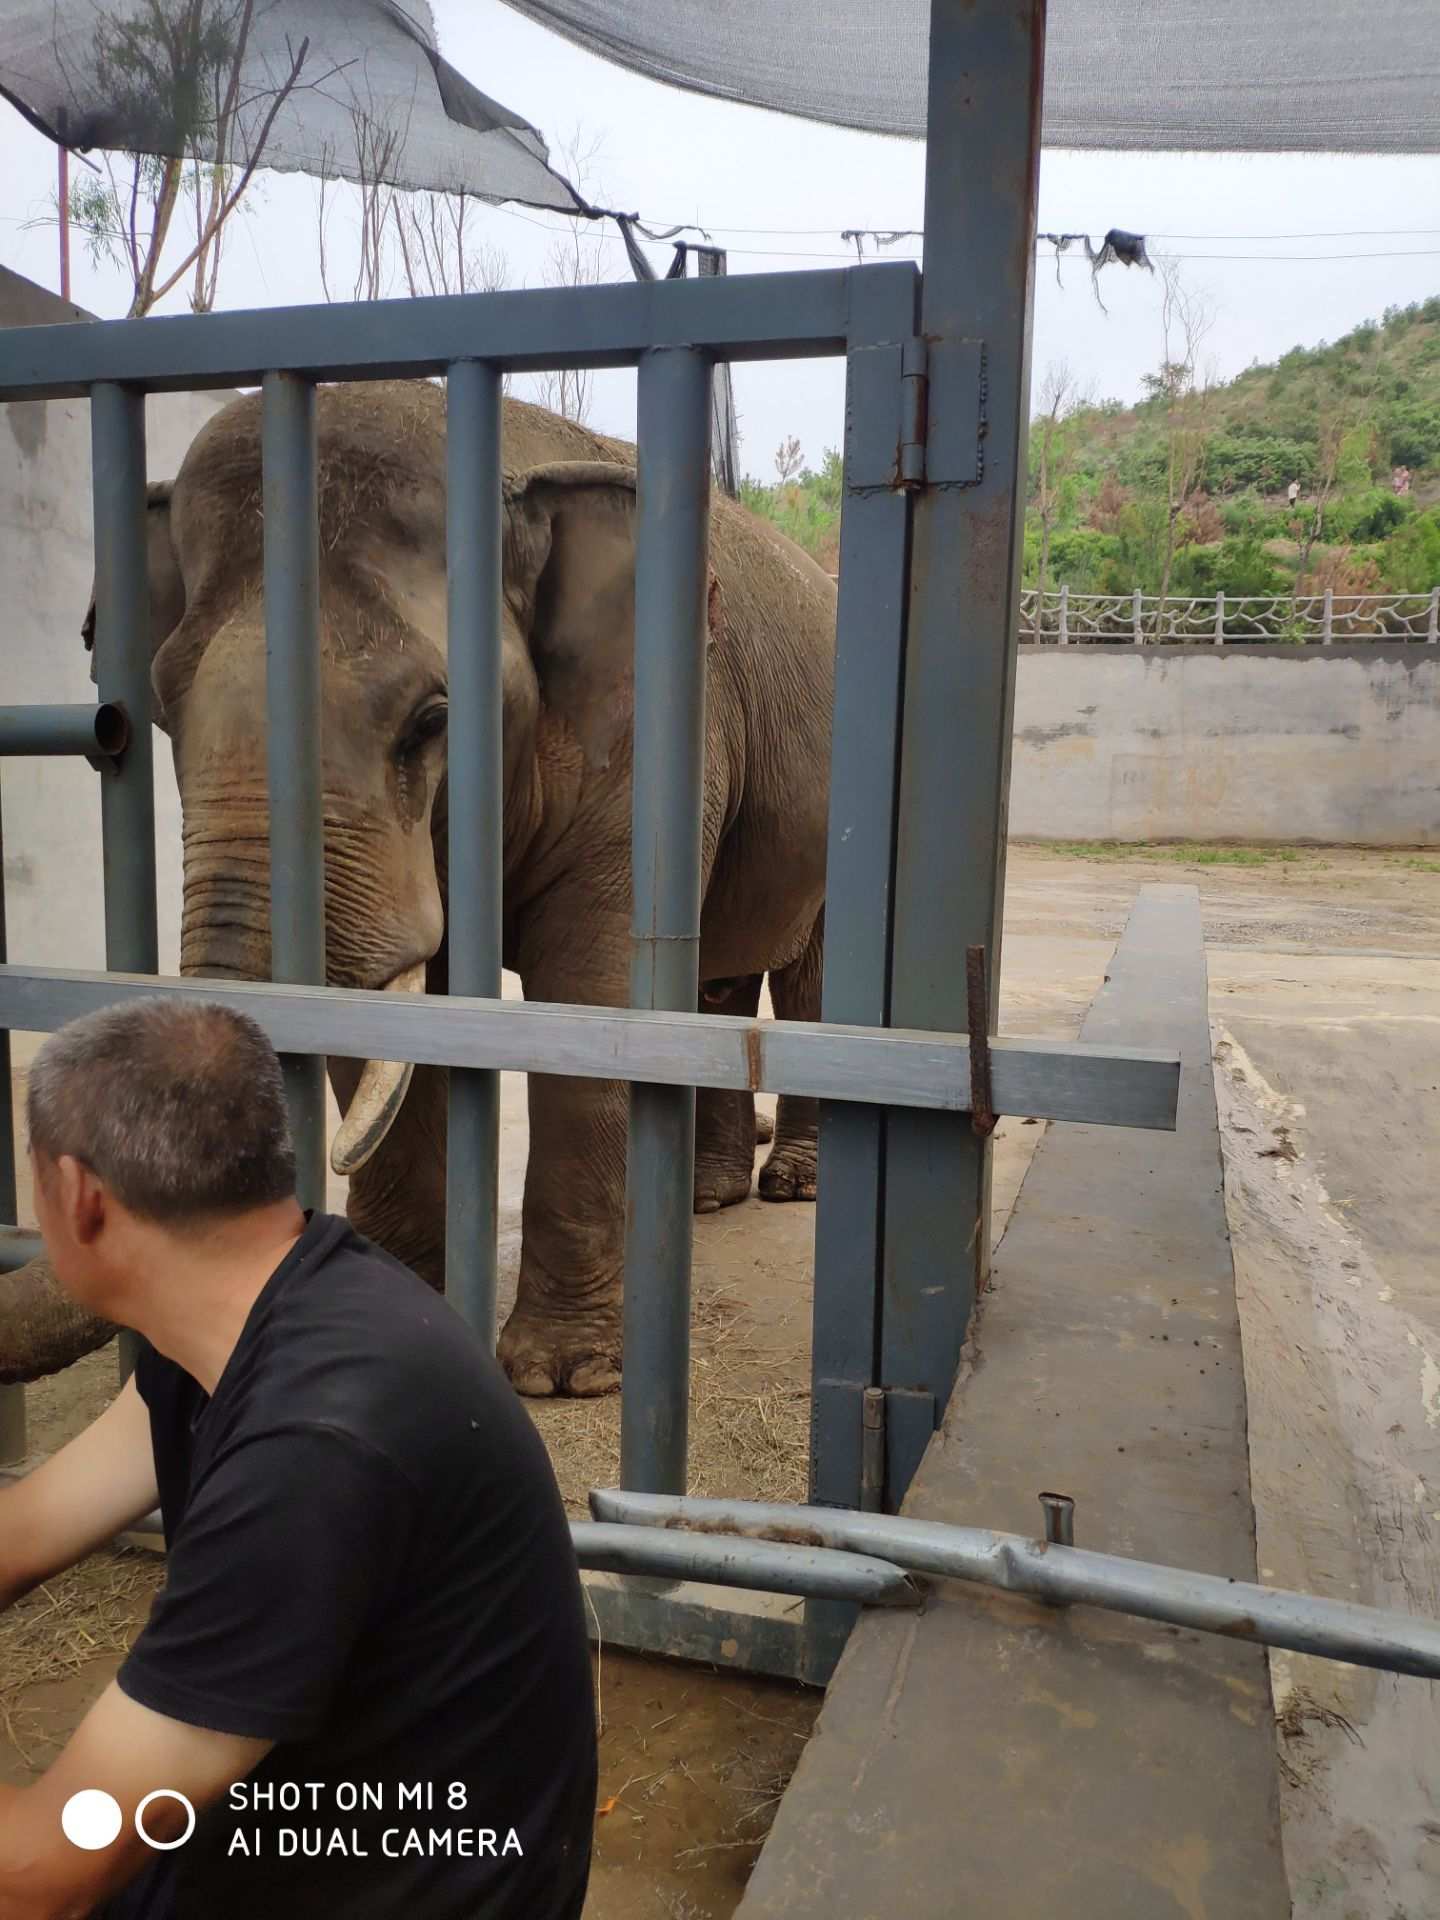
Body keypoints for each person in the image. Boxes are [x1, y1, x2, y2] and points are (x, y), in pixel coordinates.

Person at [0, 999, 596, 1919]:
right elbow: (25, 1529)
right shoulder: (261, 1307)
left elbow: (44, 1873)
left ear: (80, 1197)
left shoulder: (314, 1447)